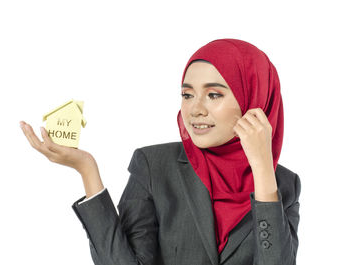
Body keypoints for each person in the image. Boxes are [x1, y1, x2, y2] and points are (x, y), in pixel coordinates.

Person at [19, 38, 301, 265]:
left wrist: (263, 172)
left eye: (214, 94)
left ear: (254, 98)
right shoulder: (154, 166)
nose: (195, 109)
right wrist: (87, 169)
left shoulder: (283, 185)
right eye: (187, 94)